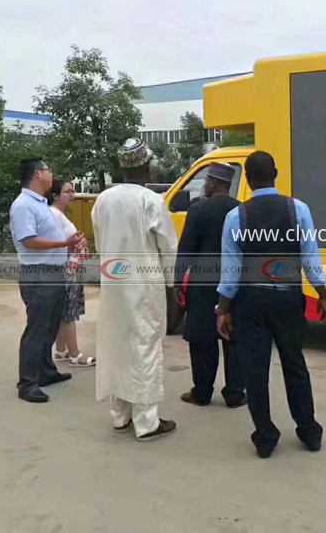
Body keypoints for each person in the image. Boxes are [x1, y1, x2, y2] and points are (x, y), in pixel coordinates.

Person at [217, 150, 326, 458]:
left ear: (249, 180)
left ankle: (265, 437)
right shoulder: (299, 210)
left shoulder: (236, 216)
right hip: (289, 298)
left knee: (255, 369)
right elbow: (310, 256)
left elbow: (232, 269)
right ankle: (309, 432)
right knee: (295, 363)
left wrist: (223, 308)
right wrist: (322, 293)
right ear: (276, 174)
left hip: (251, 302)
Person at [91, 139, 179, 442]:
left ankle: (120, 417)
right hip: (144, 287)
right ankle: (146, 423)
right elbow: (168, 248)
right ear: (146, 165)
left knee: (116, 345)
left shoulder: (103, 200)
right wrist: (171, 285)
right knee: (144, 346)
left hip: (114, 284)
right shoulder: (151, 201)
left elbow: (100, 243)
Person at [10, 158, 84, 403]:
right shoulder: (23, 205)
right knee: (37, 328)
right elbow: (28, 240)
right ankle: (27, 383)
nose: (53, 175)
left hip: (53, 271)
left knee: (50, 325)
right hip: (38, 273)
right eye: (49, 170)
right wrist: (65, 243)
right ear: (38, 173)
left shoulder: (40, 204)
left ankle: (45, 372)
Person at [175, 163, 246, 408]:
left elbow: (186, 249)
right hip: (234, 284)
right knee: (233, 339)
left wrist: (177, 283)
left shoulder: (198, 209)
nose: (205, 186)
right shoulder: (241, 210)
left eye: (206, 181)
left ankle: (202, 392)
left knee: (202, 340)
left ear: (213, 183)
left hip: (203, 284)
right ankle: (235, 394)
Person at [48, 180, 95, 367]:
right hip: (65, 268)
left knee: (64, 311)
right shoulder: (53, 214)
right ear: (56, 196)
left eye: (73, 191)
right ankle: (75, 354)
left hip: (71, 266)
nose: (72, 194)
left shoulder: (59, 214)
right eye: (68, 191)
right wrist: (74, 245)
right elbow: (55, 243)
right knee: (69, 312)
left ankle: (61, 350)